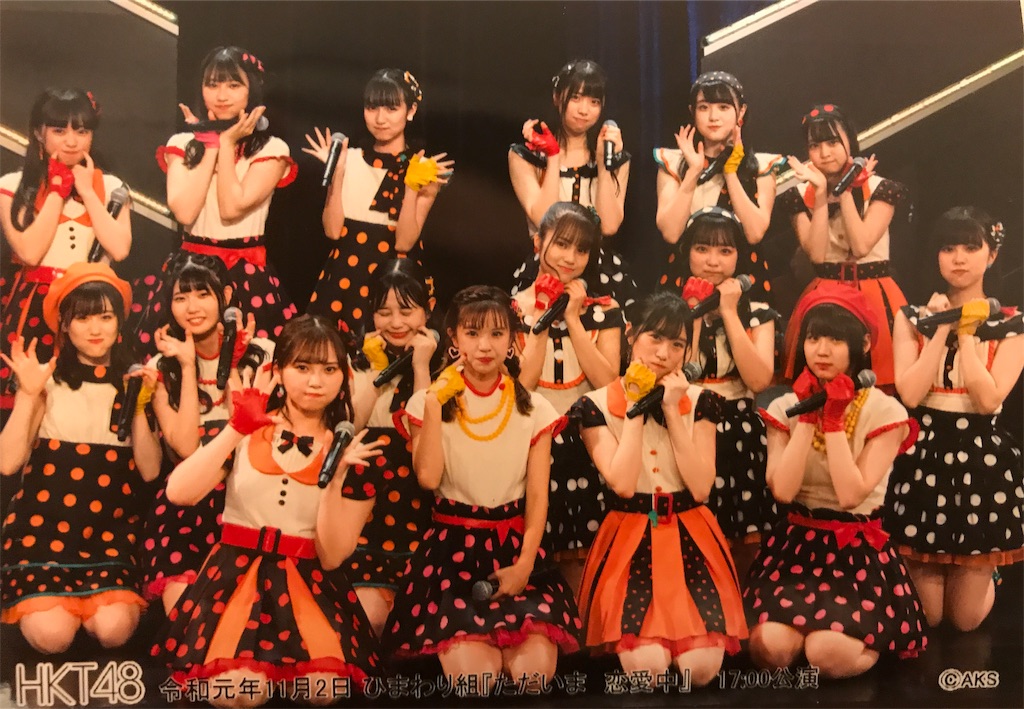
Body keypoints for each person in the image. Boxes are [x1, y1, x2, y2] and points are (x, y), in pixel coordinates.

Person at [153, 315, 381, 706]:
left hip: (308, 583)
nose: (315, 381)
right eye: (302, 367)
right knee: (237, 693)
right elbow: (179, 492)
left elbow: (332, 556)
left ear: (345, 377)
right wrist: (235, 428)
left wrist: (334, 480)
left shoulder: (354, 453)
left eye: (329, 370)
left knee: (323, 691)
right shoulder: (248, 430)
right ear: (278, 371)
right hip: (236, 578)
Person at [385, 286, 582, 694]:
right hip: (452, 552)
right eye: (472, 334)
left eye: (496, 333)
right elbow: (428, 479)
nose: (485, 346)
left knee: (532, 679)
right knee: (476, 682)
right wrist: (434, 404)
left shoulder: (535, 408)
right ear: (454, 338)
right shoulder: (426, 403)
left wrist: (524, 566)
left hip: (515, 547)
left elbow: (538, 497)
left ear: (512, 340)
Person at [749, 284, 927, 678]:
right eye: (814, 338)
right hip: (797, 547)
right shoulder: (785, 405)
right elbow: (783, 491)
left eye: (836, 340)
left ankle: (869, 641)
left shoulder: (885, 411)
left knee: (826, 654)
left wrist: (832, 420)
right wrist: (808, 415)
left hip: (855, 551)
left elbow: (850, 495)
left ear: (862, 343)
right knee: (770, 649)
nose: (822, 350)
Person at [573, 291, 747, 688]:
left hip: (690, 531)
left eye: (677, 344)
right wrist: (635, 407)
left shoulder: (701, 401)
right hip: (630, 533)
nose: (664, 353)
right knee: (647, 670)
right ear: (630, 335)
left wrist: (671, 408)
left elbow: (700, 487)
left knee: (699, 672)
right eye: (654, 338)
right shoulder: (594, 405)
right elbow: (621, 483)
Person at [0, 263, 161, 653]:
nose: (95, 329)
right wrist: (27, 396)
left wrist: (139, 404)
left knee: (114, 630)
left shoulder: (133, 383)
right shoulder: (46, 381)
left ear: (119, 323)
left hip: (110, 539)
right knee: (53, 636)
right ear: (64, 325)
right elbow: (7, 463)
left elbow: (151, 470)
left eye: (105, 317)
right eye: (83, 318)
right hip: (43, 538)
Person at [887, 207, 1023, 631]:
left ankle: (987, 574)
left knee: (964, 621)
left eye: (970, 247)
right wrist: (942, 328)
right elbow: (910, 394)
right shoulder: (911, 317)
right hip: (923, 453)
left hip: (980, 458)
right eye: (948, 248)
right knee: (928, 617)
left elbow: (987, 400)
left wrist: (967, 334)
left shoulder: (1012, 324)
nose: (959, 258)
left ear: (992, 255)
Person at [129, 46, 298, 357]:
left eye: (233, 85)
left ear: (252, 90)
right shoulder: (182, 143)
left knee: (247, 362)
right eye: (212, 84)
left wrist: (228, 143)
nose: (221, 95)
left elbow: (231, 207)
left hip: (244, 273)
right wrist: (211, 145)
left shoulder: (272, 148)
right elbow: (184, 211)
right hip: (191, 268)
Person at [138, 251, 274, 615]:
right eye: (181, 297)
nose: (192, 307)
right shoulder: (162, 364)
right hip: (187, 509)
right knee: (187, 618)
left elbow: (246, 432)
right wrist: (186, 366)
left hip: (247, 505)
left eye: (203, 294)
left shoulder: (264, 354)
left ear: (225, 297)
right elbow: (185, 447)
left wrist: (232, 362)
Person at [513, 201, 623, 593]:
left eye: (581, 249)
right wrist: (543, 314)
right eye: (561, 244)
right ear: (538, 242)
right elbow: (522, 388)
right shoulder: (511, 309)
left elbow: (608, 382)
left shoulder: (604, 309)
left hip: (586, 442)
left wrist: (573, 318)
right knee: (532, 562)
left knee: (583, 568)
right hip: (532, 443)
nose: (570, 258)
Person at [0, 89, 131, 411]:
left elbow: (119, 249)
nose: (72, 141)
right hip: (35, 306)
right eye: (59, 131)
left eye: (82, 131)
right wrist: (57, 191)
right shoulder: (12, 185)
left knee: (85, 404)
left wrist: (87, 191)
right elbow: (30, 253)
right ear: (38, 132)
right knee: (28, 404)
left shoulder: (111, 187)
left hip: (91, 307)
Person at [304, 68, 453, 336]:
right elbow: (332, 231)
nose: (380, 119)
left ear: (411, 110)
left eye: (391, 108)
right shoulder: (348, 158)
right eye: (372, 108)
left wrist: (411, 187)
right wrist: (337, 173)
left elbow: (404, 242)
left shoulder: (424, 167)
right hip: (344, 278)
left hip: (392, 283)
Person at [675, 207, 779, 577]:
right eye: (702, 249)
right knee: (690, 540)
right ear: (687, 252)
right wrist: (693, 315)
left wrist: (730, 312)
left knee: (744, 544)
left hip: (739, 429)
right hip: (687, 423)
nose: (713, 261)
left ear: (739, 256)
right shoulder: (669, 309)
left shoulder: (758, 311)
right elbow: (681, 375)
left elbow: (759, 380)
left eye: (725, 251)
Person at [341, 258, 438, 635]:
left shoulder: (445, 362)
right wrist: (377, 371)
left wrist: (421, 366)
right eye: (384, 312)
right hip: (368, 502)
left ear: (428, 310)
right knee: (368, 619)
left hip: (420, 496)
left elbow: (423, 432)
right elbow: (352, 426)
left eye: (407, 311)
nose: (395, 322)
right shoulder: (357, 359)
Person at [780, 103, 907, 390]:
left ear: (850, 140)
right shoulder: (798, 194)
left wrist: (846, 189)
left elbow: (861, 245)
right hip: (824, 292)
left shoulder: (881, 188)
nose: (825, 153)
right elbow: (816, 254)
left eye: (833, 142)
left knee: (880, 385)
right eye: (815, 145)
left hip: (874, 292)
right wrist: (821, 195)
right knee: (815, 387)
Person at [509, 59, 637, 315]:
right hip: (546, 267)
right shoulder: (525, 155)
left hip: (599, 270)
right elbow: (542, 218)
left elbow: (609, 225)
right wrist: (553, 156)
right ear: (557, 97)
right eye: (576, 98)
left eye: (594, 102)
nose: (584, 110)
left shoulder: (614, 158)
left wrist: (603, 165)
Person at [654, 71, 780, 304]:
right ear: (692, 111)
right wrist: (693, 171)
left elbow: (755, 232)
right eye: (704, 107)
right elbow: (671, 232)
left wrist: (730, 171)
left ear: (741, 111)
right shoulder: (673, 162)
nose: (713, 117)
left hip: (743, 281)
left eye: (723, 107)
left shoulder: (761, 166)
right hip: (685, 281)